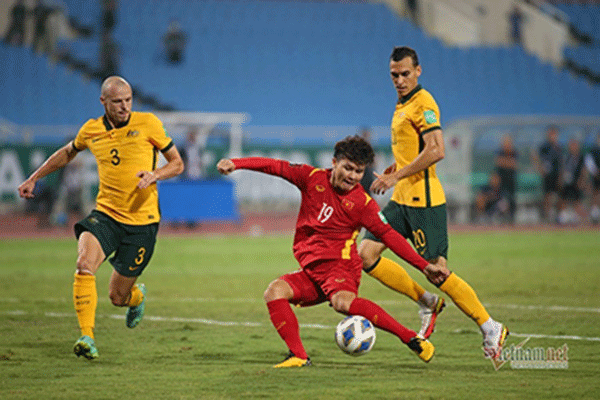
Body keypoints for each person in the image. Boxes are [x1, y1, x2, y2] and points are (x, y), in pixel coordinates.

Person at [217, 135, 445, 367]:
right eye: (348, 168)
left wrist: (424, 266)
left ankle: (411, 338)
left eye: (359, 171)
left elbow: (390, 236)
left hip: (340, 267)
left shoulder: (363, 204)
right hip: (313, 270)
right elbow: (275, 166)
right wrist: (236, 163)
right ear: (334, 163)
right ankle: (299, 356)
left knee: (342, 303)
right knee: (274, 292)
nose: (352, 176)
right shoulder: (311, 178)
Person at [18, 76, 184, 360]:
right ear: (103, 102)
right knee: (84, 265)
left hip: (142, 223)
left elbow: (178, 164)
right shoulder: (91, 129)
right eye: (117, 101)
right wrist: (34, 177)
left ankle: (137, 297)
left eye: (128, 100)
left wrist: (155, 174)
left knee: (118, 297)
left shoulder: (149, 123)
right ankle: (87, 337)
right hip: (106, 214)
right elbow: (67, 152)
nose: (124, 106)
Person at [358, 46, 508, 360]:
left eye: (405, 74)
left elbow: (437, 150)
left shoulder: (424, 103)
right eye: (394, 75)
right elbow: (413, 150)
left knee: (437, 271)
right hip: (401, 201)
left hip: (424, 203)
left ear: (418, 71)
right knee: (365, 254)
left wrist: (396, 176)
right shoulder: (403, 103)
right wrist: (396, 169)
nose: (399, 80)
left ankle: (490, 326)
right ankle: (427, 302)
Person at [535, 125, 562, 223]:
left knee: (559, 196)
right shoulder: (544, 146)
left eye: (554, 134)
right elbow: (536, 156)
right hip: (547, 176)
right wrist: (540, 169)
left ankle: (558, 216)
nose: (553, 136)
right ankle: (547, 217)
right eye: (551, 134)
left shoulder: (558, 147)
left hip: (556, 175)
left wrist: (561, 175)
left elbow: (561, 162)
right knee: (547, 196)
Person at [557, 138, 586, 225]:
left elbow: (584, 170)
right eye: (571, 145)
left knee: (577, 200)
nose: (572, 147)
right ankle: (563, 217)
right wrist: (561, 180)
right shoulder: (566, 157)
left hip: (577, 181)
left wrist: (582, 180)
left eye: (574, 145)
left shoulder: (581, 157)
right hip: (567, 181)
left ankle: (579, 217)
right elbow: (562, 169)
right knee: (563, 198)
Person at [495, 134, 518, 224]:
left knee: (511, 199)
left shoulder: (514, 152)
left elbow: (514, 164)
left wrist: (505, 162)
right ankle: (502, 216)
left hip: (511, 181)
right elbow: (499, 162)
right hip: (502, 181)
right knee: (501, 199)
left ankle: (511, 218)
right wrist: (507, 163)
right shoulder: (500, 152)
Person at [584, 132, 600, 224]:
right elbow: (588, 162)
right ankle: (594, 215)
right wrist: (595, 171)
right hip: (596, 176)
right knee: (596, 193)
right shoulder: (594, 150)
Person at [358, 127, 375, 195]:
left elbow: (374, 162)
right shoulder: (359, 148)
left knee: (368, 192)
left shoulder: (371, 147)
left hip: (368, 172)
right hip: (362, 172)